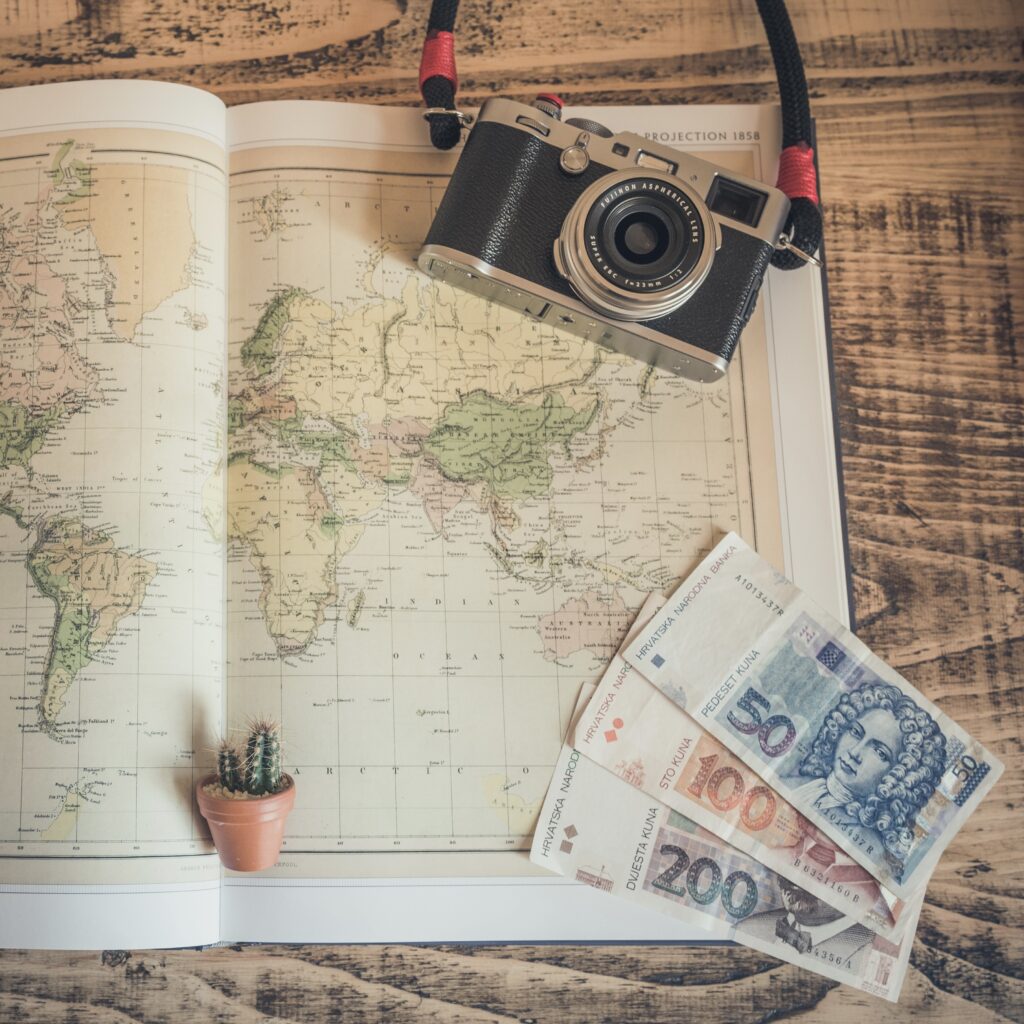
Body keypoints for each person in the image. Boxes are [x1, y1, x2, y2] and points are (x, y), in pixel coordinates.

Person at [791, 681, 946, 876]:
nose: (855, 752)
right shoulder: (790, 784)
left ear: (901, 774)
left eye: (880, 752)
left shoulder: (873, 849)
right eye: (856, 732)